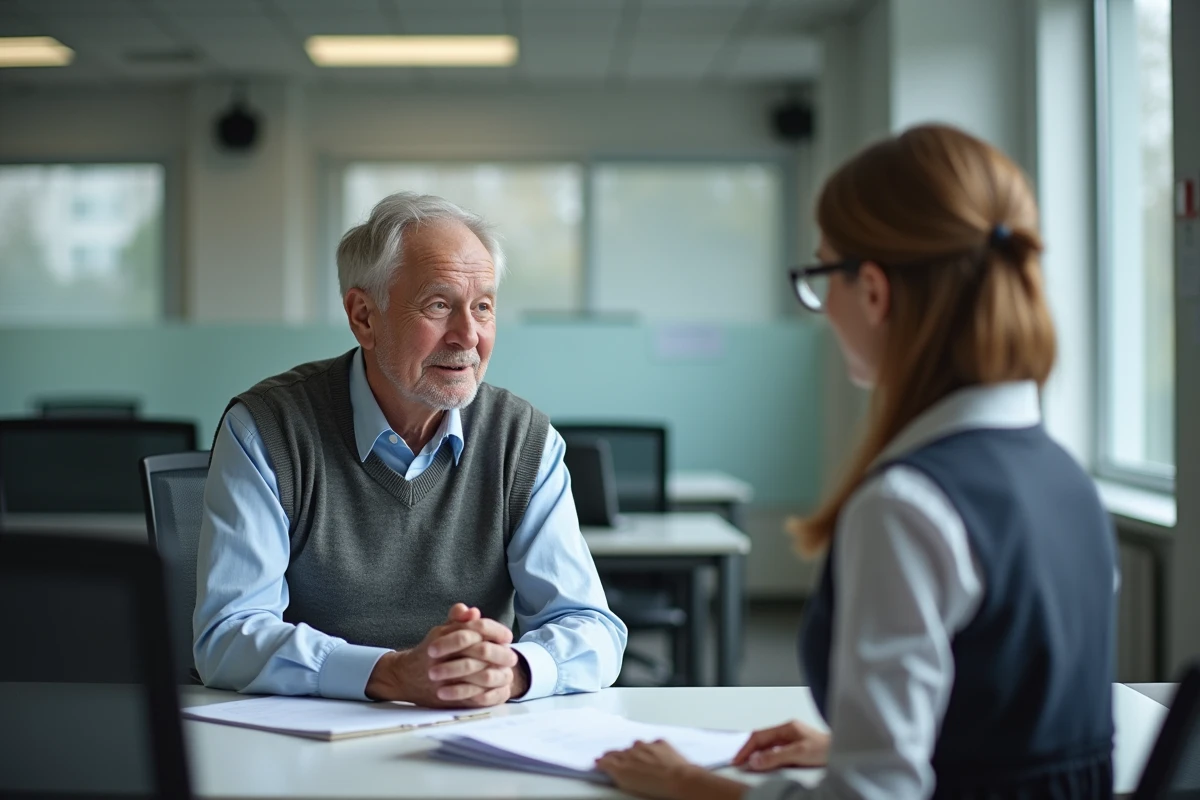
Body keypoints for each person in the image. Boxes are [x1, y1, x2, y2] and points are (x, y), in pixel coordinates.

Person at [596, 124, 1117, 799]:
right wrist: (856, 745)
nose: (822, 307)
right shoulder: (1065, 477)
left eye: (821, 275)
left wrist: (688, 784)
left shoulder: (909, 504)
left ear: (872, 290)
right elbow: (1010, 724)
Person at [193, 192, 627, 707]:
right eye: (439, 305)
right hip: (309, 743)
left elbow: (591, 626)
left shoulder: (523, 439)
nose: (468, 335)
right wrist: (392, 673)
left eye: (483, 307)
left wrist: (511, 672)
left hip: (474, 737)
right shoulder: (269, 429)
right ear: (363, 317)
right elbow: (227, 635)